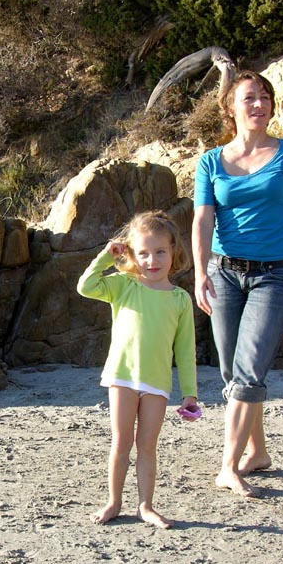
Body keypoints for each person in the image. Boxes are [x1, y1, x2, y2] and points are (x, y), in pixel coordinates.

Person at [192, 70, 283, 498]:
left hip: (275, 275)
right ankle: (258, 452)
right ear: (230, 107)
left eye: (265, 97)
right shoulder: (211, 161)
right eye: (249, 97)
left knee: (249, 372)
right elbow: (202, 220)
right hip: (223, 273)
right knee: (233, 372)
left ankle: (228, 467)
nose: (259, 104)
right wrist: (200, 273)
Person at [77, 210, 198, 528]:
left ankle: (146, 506)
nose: (152, 260)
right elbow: (85, 286)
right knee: (121, 442)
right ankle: (114, 501)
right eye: (143, 253)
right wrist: (107, 256)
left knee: (147, 446)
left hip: (157, 383)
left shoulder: (180, 299)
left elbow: (185, 352)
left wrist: (190, 393)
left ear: (174, 251)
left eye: (160, 252)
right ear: (132, 254)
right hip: (123, 377)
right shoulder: (124, 285)